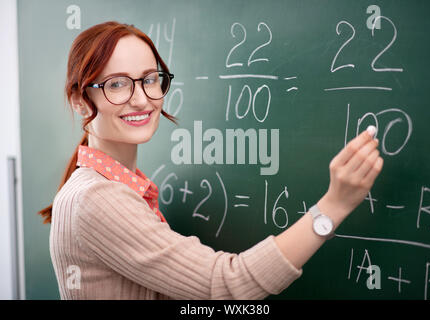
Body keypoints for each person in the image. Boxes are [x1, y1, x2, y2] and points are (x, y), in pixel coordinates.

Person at [38, 21, 383, 300]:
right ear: (79, 100)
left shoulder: (111, 186)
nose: (141, 99)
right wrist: (334, 205)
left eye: (149, 79)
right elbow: (226, 286)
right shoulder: (97, 198)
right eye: (116, 85)